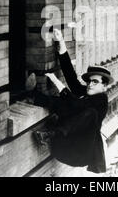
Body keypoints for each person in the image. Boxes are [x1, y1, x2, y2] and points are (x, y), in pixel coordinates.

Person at [31, 29, 113, 174]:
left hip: (78, 154)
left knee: (88, 112)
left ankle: (49, 134)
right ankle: (32, 95)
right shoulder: (88, 93)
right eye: (88, 81)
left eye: (95, 81)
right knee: (63, 102)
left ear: (104, 86)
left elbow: (77, 104)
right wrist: (61, 43)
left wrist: (56, 81)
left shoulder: (101, 102)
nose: (90, 84)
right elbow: (71, 78)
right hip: (62, 146)